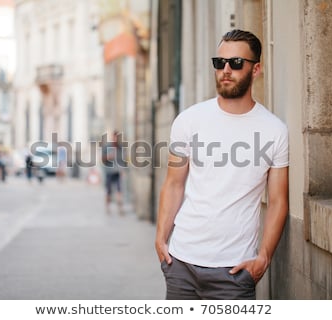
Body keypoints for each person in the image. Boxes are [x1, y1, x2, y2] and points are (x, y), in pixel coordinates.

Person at [155, 29, 289, 300]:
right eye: (220, 63)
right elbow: (174, 183)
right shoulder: (189, 120)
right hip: (181, 263)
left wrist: (263, 257)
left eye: (236, 63)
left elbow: (278, 201)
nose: (226, 69)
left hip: (234, 271)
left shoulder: (274, 130)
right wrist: (161, 238)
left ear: (256, 69)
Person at [101, 130, 125, 214]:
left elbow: (123, 160)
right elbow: (102, 159)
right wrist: (108, 157)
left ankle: (120, 209)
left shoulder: (120, 148)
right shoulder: (107, 147)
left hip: (117, 172)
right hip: (109, 172)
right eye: (114, 137)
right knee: (108, 191)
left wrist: (123, 170)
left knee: (119, 190)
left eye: (117, 137)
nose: (116, 139)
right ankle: (107, 208)